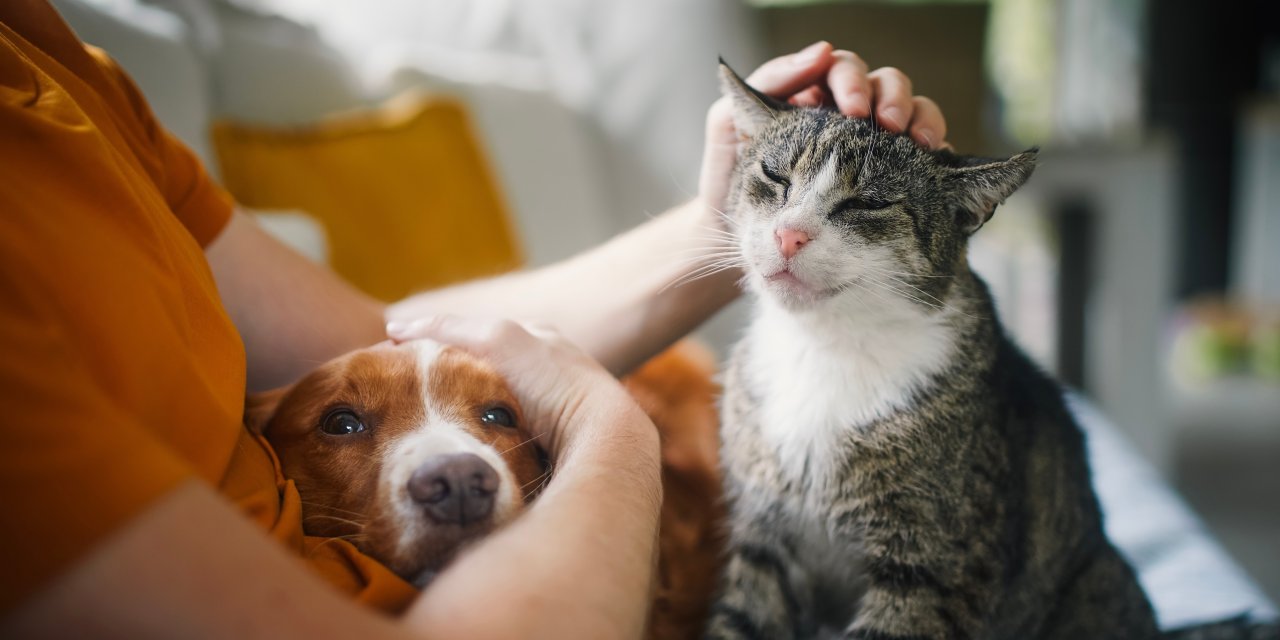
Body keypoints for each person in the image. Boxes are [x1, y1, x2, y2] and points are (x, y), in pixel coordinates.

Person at [0, 0, 948, 636]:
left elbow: (386, 335)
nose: (459, 467)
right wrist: (606, 431)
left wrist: (719, 231)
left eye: (502, 422)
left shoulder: (59, 65)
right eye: (340, 425)